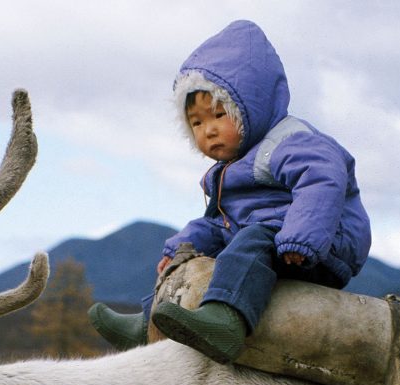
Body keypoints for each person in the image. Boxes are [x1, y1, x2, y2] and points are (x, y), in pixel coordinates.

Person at [88, 19, 371, 364]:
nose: (207, 131)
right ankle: (147, 324)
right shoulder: (228, 171)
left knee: (252, 240)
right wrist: (181, 247)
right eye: (196, 122)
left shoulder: (288, 141)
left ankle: (225, 320)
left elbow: (323, 180)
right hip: (267, 239)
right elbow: (217, 224)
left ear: (250, 108)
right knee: (200, 255)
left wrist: (301, 238)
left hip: (321, 244)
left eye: (219, 115)